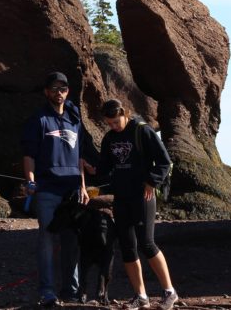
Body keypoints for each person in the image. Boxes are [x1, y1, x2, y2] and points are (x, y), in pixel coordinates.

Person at [96, 99, 178, 310]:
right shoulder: (109, 138)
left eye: (116, 122)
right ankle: (140, 296)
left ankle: (170, 292)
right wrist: (90, 169)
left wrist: (152, 181)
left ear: (125, 114)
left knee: (147, 243)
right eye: (109, 123)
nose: (113, 126)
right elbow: (104, 168)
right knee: (127, 247)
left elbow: (164, 161)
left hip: (144, 196)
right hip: (121, 197)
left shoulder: (142, 131)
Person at [21, 71, 93, 307]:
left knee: (71, 239)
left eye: (62, 89)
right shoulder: (39, 119)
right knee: (47, 238)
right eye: (54, 89)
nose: (58, 93)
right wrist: (30, 180)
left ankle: (70, 290)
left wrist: (83, 187)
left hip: (72, 191)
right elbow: (29, 154)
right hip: (48, 189)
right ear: (46, 92)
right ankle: (47, 291)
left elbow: (80, 156)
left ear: (68, 92)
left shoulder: (74, 120)